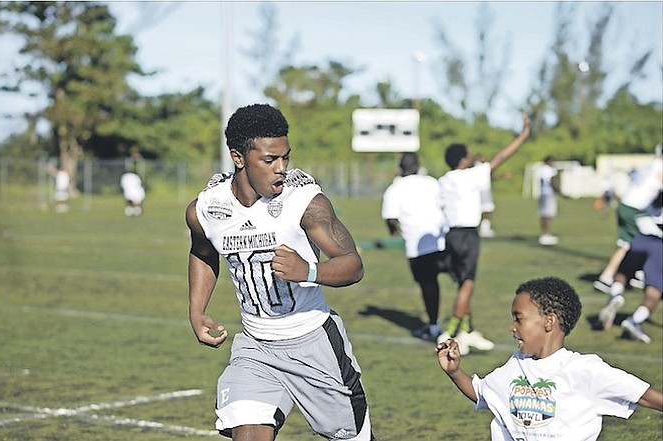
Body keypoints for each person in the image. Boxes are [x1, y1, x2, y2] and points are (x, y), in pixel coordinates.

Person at [185, 104, 375, 441]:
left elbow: (353, 264)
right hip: (256, 347)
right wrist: (197, 311)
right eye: (269, 160)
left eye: (285, 158)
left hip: (313, 344)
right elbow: (202, 251)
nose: (281, 169)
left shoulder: (304, 201)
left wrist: (309, 270)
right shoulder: (206, 209)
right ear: (238, 157)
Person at [436, 276, 663, 440]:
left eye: (518, 319)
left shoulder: (585, 370)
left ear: (549, 322)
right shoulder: (515, 365)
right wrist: (455, 372)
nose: (512, 328)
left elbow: (644, 396)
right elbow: (482, 393)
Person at [436, 115, 530, 355]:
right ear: (464, 159)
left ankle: (467, 329)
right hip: (467, 235)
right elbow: (500, 157)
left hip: (450, 235)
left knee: (461, 284)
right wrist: (521, 137)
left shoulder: (445, 180)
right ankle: (452, 331)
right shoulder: (471, 175)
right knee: (468, 283)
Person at [381, 152, 450, 342]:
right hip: (443, 239)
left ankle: (435, 327)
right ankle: (462, 324)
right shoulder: (432, 182)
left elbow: (390, 217)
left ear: (400, 167)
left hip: (418, 245)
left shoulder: (395, 188)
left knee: (428, 286)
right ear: (419, 165)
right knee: (461, 281)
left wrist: (393, 231)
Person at [593, 153, 663, 293]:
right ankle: (641, 273)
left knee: (626, 244)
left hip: (626, 205)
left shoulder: (652, 164)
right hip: (635, 209)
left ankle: (605, 278)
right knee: (654, 239)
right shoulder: (659, 166)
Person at [598, 191, 662, 343]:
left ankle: (616, 293)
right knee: (653, 293)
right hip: (659, 246)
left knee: (623, 273)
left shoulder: (653, 201)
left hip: (640, 240)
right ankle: (635, 321)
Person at [536, 155, 561, 246]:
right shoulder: (550, 170)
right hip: (548, 194)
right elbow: (552, 182)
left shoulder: (541, 169)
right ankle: (546, 235)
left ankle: (544, 234)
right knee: (548, 215)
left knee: (543, 215)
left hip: (542, 193)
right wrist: (560, 193)